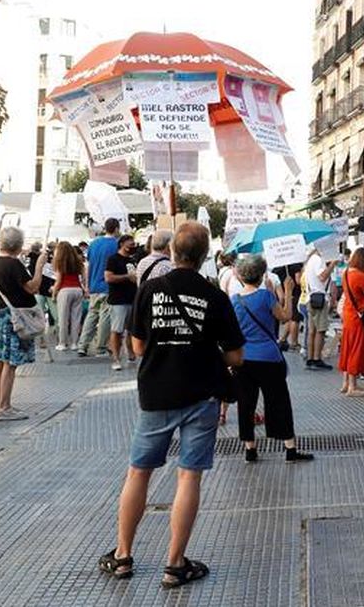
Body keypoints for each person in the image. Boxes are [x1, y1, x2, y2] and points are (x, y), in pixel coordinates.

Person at [98, 222, 244, 590]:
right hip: (201, 394)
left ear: (173, 253)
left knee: (138, 472)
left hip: (157, 393)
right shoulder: (214, 296)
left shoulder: (150, 289)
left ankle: (123, 555)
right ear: (204, 256)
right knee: (188, 476)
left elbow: (137, 347)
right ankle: (175, 563)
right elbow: (236, 356)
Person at [229, 254, 311, 463]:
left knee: (246, 404)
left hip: (244, 359)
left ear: (240, 276)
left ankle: (250, 449)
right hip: (269, 358)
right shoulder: (266, 296)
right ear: (261, 274)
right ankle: (290, 449)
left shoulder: (234, 300)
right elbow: (285, 317)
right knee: (278, 401)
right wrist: (290, 290)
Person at [0, 226, 47, 421]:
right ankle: (5, 407)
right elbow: (32, 287)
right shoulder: (15, 265)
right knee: (10, 364)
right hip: (14, 317)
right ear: (19, 245)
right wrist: (39, 268)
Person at [337, 247, 364, 397]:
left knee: (348, 348)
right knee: (357, 349)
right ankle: (352, 387)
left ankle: (345, 383)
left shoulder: (346, 273)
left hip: (349, 314)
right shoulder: (360, 277)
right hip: (359, 317)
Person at [77, 219, 121, 357]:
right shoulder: (116, 245)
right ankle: (100, 347)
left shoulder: (94, 244)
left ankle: (82, 346)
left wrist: (88, 285)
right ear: (116, 228)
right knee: (105, 317)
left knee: (92, 315)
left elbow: (89, 265)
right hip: (108, 286)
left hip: (94, 285)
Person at [104, 235, 139, 371]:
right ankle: (116, 357)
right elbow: (108, 277)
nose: (132, 247)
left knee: (131, 329)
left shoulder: (133, 259)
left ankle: (130, 353)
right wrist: (126, 277)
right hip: (118, 300)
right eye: (130, 245)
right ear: (122, 244)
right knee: (117, 330)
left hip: (132, 298)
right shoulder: (113, 259)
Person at [303, 248, 337, 370]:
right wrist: (332, 264)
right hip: (319, 298)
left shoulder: (310, 260)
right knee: (320, 330)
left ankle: (310, 358)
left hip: (310, 297)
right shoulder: (318, 260)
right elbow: (322, 277)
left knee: (312, 330)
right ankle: (317, 358)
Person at [51, 241, 85, 352]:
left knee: (63, 318)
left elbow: (59, 280)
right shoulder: (78, 262)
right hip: (78, 290)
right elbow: (84, 278)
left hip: (64, 291)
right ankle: (75, 343)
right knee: (76, 318)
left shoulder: (60, 262)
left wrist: (54, 293)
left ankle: (62, 343)